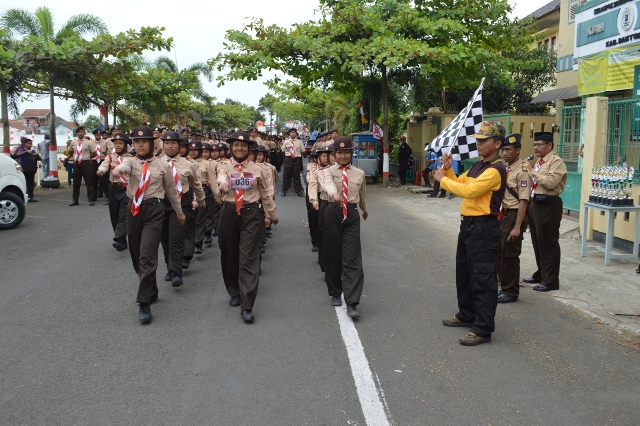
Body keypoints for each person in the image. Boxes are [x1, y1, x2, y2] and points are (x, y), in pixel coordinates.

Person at [435, 121, 506, 346]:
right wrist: (448, 169)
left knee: (483, 277)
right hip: (469, 226)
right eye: (479, 139)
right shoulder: (478, 166)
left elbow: (468, 191)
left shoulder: (496, 169)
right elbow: (459, 182)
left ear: (497, 143)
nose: (480, 143)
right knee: (465, 272)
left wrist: (442, 179)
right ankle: (467, 314)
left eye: (484, 140)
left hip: (484, 227)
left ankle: (483, 328)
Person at [112, 125, 185, 324]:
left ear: (153, 143)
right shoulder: (130, 161)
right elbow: (125, 167)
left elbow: (171, 192)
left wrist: (179, 212)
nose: (141, 145)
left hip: (155, 210)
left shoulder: (162, 166)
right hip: (134, 209)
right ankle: (150, 289)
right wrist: (119, 169)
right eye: (137, 141)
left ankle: (143, 302)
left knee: (147, 253)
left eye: (144, 141)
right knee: (136, 255)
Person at [217, 130, 279, 323]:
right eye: (236, 145)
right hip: (228, 212)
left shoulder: (258, 169)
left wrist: (271, 213)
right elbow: (221, 178)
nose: (239, 148)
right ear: (231, 147)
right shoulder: (223, 165)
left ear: (249, 148)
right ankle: (234, 290)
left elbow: (266, 193)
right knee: (229, 254)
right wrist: (224, 183)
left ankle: (247, 304)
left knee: (248, 256)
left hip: (251, 213)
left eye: (243, 145)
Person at [322, 136, 369, 319]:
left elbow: (362, 194)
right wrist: (334, 194)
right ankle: (335, 291)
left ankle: (352, 302)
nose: (343, 156)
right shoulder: (327, 171)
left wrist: (364, 209)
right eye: (339, 152)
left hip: (351, 214)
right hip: (332, 212)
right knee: (333, 254)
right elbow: (328, 185)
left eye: (346, 152)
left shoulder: (359, 173)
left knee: (352, 257)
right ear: (334, 154)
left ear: (351, 153)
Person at [521, 132, 568, 292]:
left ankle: (551, 280)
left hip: (549, 204)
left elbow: (550, 183)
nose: (536, 148)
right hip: (536, 203)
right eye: (534, 145)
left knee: (548, 242)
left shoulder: (557, 162)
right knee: (537, 240)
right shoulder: (540, 162)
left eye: (539, 145)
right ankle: (541, 273)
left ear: (549, 145)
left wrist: (531, 170)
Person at [160, 133, 206, 286]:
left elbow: (197, 185)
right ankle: (170, 267)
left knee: (176, 236)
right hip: (162, 203)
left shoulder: (188, 165)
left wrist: (201, 200)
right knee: (165, 238)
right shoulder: (157, 163)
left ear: (180, 146)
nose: (170, 146)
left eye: (173, 143)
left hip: (182, 203)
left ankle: (175, 272)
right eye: (167, 143)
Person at [496, 134, 531, 303]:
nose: (504, 153)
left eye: (508, 149)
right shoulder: (507, 168)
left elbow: (524, 200)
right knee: (499, 251)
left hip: (514, 215)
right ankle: (504, 285)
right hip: (504, 214)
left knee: (509, 253)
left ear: (518, 150)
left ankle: (510, 291)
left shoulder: (523, 170)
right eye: (502, 150)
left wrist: (518, 227)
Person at [97, 132, 132, 251]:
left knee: (124, 214)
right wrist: (101, 171)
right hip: (114, 188)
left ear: (126, 144)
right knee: (114, 215)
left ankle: (118, 237)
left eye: (120, 143)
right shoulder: (110, 157)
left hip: (127, 188)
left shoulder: (131, 158)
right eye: (116, 143)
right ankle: (122, 241)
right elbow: (104, 166)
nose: (117, 146)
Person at [68, 126, 97, 206]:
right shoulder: (73, 142)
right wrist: (76, 156)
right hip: (77, 163)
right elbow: (70, 152)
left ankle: (91, 199)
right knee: (76, 182)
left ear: (84, 133)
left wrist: (88, 157)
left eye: (82, 132)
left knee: (89, 181)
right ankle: (75, 200)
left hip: (86, 163)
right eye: (79, 132)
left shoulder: (88, 142)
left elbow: (94, 153)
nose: (80, 133)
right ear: (76, 133)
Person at [280, 128, 305, 197]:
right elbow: (282, 150)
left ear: (296, 134)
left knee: (296, 175)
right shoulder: (286, 142)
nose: (293, 134)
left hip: (296, 159)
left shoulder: (299, 142)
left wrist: (297, 154)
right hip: (288, 159)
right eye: (291, 132)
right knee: (286, 175)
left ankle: (298, 191)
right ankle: (284, 190)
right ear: (289, 134)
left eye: (294, 132)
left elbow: (303, 151)